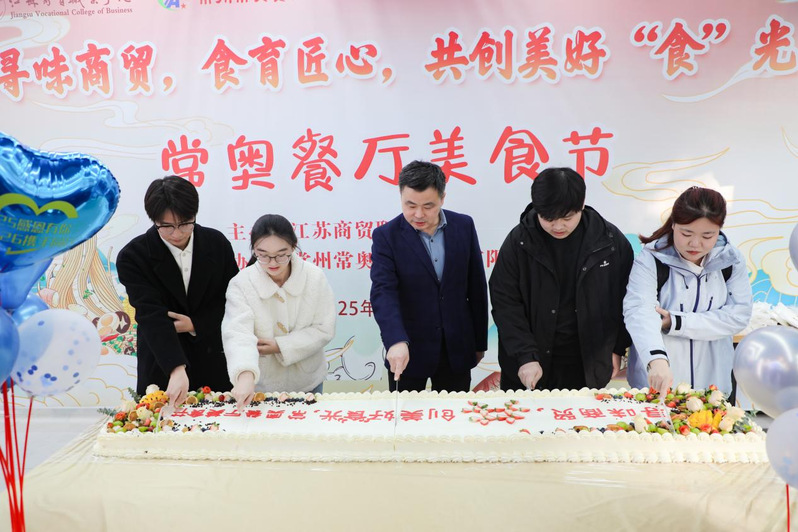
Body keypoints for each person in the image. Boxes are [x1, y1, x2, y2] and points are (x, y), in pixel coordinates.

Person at [490, 167, 633, 391]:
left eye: (567, 218)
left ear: (582, 204)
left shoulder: (609, 242)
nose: (558, 226)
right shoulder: (519, 242)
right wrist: (525, 355)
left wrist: (617, 348)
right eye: (548, 218)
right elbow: (505, 303)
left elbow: (628, 298)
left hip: (586, 364)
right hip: (529, 364)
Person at [117, 175, 239, 406]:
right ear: (154, 220)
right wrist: (175, 367)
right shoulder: (133, 256)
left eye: (184, 223)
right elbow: (149, 313)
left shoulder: (216, 243)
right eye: (167, 226)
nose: (177, 233)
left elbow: (232, 300)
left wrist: (196, 324)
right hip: (162, 360)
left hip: (212, 355)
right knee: (160, 422)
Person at [370, 160, 488, 393]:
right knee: (407, 414)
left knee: (455, 414)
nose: (418, 214)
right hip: (407, 350)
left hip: (456, 348)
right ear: (401, 197)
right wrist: (396, 340)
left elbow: (476, 286)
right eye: (410, 205)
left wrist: (479, 342)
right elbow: (384, 292)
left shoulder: (463, 226)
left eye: (428, 206)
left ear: (442, 198)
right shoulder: (386, 236)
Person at [624, 187, 753, 397]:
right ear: (673, 224)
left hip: (714, 388)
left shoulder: (731, 260)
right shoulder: (651, 259)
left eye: (707, 235)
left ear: (719, 230)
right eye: (686, 233)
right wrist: (656, 359)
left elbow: (738, 315)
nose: (695, 243)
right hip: (659, 385)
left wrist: (676, 322)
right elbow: (640, 311)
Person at [223, 214, 335, 408]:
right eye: (263, 255)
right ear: (253, 250)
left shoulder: (314, 277)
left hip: (307, 382)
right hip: (262, 385)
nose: (273, 263)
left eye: (281, 255)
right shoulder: (241, 283)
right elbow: (238, 334)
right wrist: (245, 374)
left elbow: (324, 328)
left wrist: (282, 346)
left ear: (293, 246)